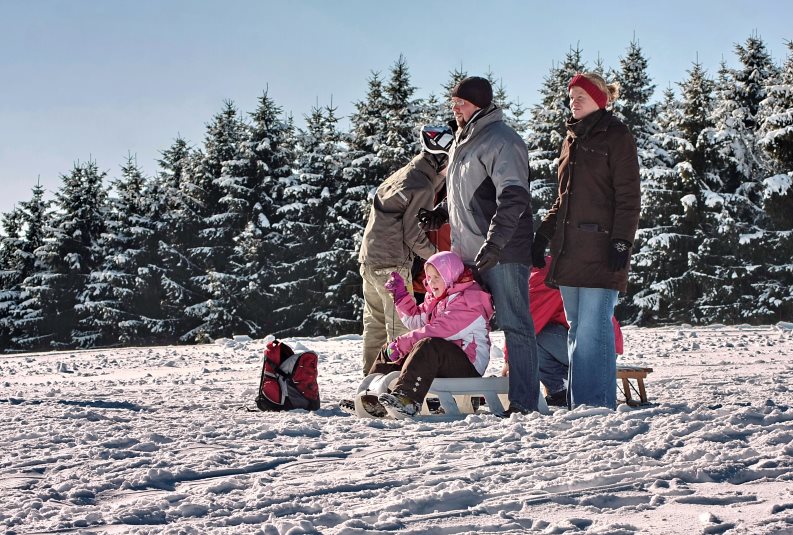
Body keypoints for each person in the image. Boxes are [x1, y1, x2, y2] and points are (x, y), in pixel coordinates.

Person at [419, 76, 539, 416]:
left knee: (516, 323)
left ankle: (524, 403)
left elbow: (513, 197)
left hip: (503, 251)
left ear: (480, 104)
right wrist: (440, 214)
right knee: (464, 322)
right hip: (470, 253)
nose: (455, 108)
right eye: (453, 102)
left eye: (462, 103)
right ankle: (463, 395)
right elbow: (469, 195)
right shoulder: (462, 141)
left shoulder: (502, 140)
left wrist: (495, 243)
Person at [532, 72, 641, 409]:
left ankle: (596, 404)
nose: (573, 101)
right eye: (570, 96)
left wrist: (622, 242)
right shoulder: (570, 140)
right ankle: (582, 404)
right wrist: (543, 234)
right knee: (577, 330)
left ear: (599, 99)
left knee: (594, 331)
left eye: (580, 95)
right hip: (569, 252)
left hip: (602, 249)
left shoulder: (617, 135)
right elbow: (563, 199)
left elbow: (629, 196)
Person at [357, 125, 454, 375]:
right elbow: (413, 234)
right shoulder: (422, 187)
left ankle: (369, 384)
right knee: (400, 330)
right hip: (392, 264)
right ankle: (395, 387)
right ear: (440, 159)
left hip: (369, 260)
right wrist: (439, 260)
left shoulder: (403, 174)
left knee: (376, 326)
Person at [362, 250, 494, 418]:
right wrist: (401, 296)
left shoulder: (470, 301)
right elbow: (417, 320)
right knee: (389, 349)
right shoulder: (439, 298)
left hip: (468, 367)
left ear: (450, 274)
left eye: (436, 277)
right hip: (441, 361)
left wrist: (403, 343)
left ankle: (407, 399)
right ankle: (371, 400)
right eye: (429, 277)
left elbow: (438, 330)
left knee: (429, 345)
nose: (431, 282)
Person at [501, 256, 624, 407]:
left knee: (531, 343)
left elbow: (527, 322)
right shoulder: (550, 267)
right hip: (602, 344)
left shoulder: (543, 278)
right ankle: (561, 387)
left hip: (596, 348)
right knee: (539, 337)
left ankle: (560, 388)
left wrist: (510, 358)